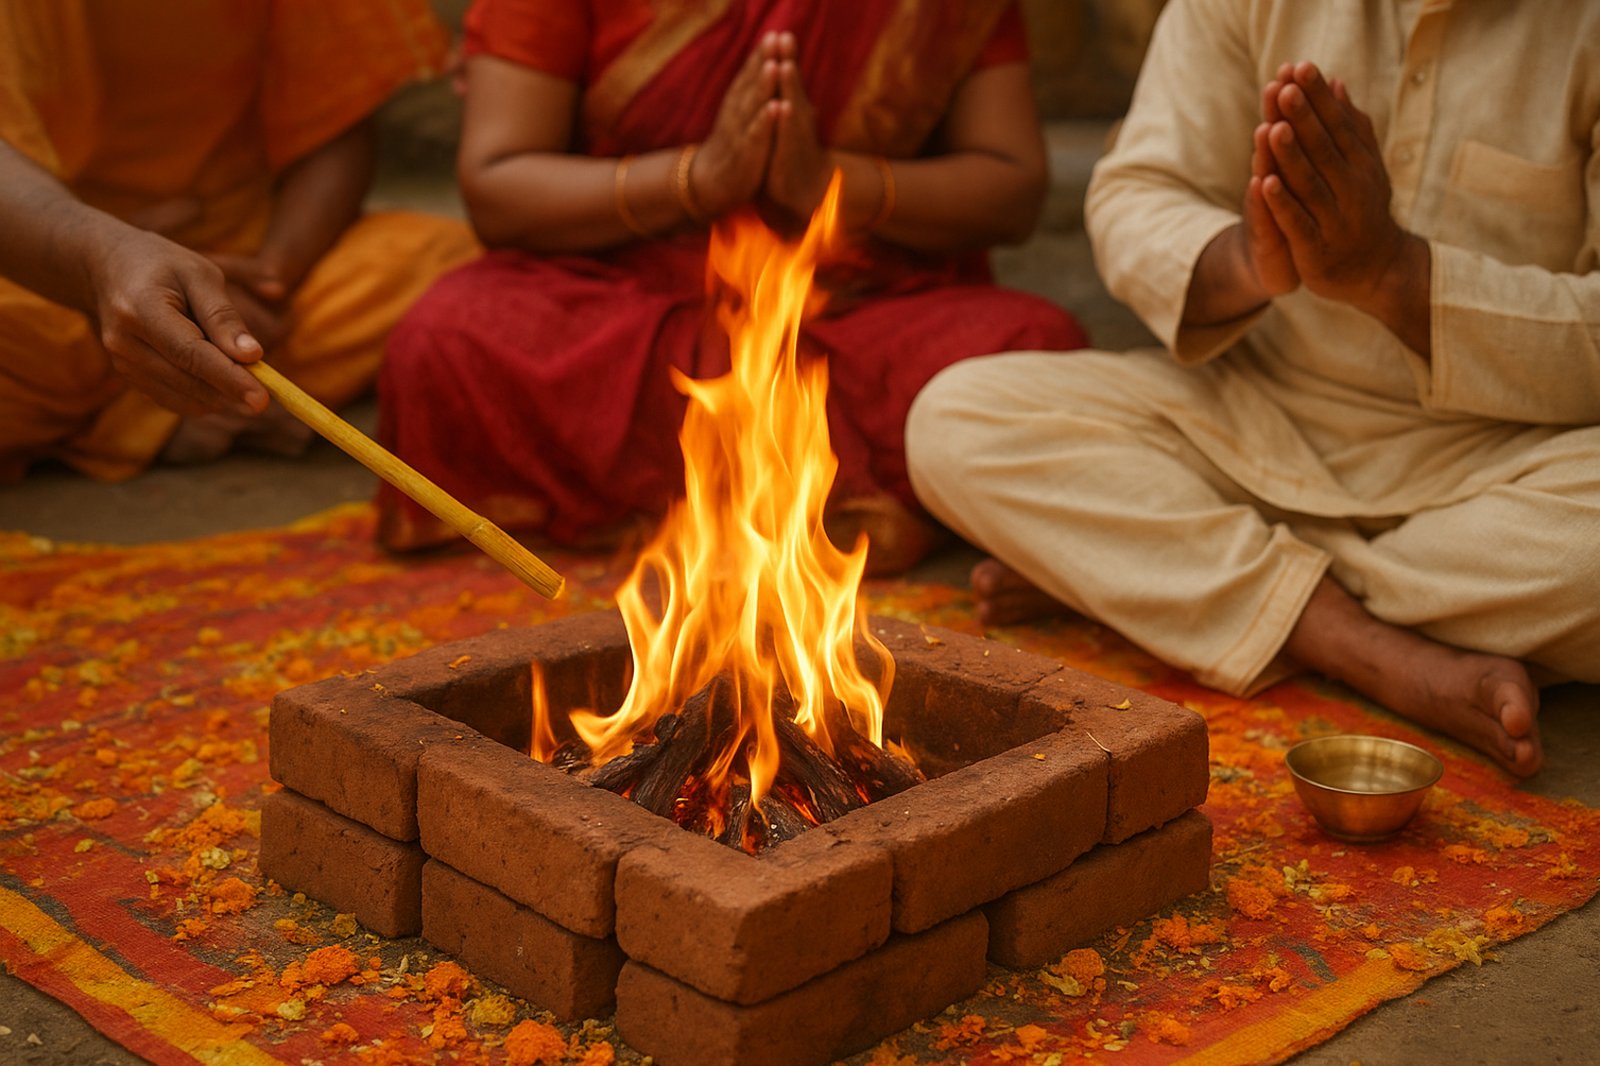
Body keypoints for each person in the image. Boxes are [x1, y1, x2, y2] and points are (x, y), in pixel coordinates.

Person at [905, 0, 1600, 778]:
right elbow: (1136, 191)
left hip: (1501, 457)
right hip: (1250, 420)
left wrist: (1395, 276)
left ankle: (1178, 578)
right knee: (956, 418)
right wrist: (1244, 259)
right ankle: (1375, 652)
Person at [376, 0, 1086, 574]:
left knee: (1034, 352)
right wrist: (700, 178)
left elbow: (1010, 190)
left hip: (856, 307)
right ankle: (828, 502)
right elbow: (500, 186)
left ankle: (707, 499)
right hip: (621, 294)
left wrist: (827, 182)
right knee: (444, 339)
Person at [0, 1, 481, 482]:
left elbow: (338, 118)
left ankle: (169, 391)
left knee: (448, 263)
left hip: (239, 261)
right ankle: (164, 401)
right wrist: (106, 254)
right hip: (49, 269)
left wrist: (272, 275)